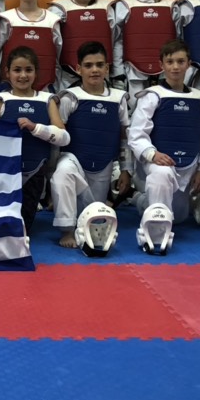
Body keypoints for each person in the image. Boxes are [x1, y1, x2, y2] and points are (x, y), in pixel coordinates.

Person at [128, 39, 200, 233]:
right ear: (161, 65)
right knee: (162, 175)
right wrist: (152, 154)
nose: (175, 67)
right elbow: (136, 133)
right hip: (158, 162)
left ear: (189, 64)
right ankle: (156, 231)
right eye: (170, 62)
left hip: (189, 164)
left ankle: (140, 200)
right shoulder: (152, 96)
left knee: (179, 217)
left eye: (180, 61)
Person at [51, 42, 131, 248]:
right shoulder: (70, 97)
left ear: (107, 68)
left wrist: (126, 169)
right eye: (88, 65)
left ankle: (137, 198)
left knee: (92, 217)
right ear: (79, 69)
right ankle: (66, 230)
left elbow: (124, 137)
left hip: (103, 165)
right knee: (63, 173)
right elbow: (58, 137)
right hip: (74, 160)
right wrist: (50, 169)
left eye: (99, 65)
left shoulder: (119, 99)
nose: (94, 70)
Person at [0, 47, 69, 234]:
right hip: (5, 172)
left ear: (36, 72)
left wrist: (36, 128)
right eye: (17, 70)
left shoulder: (48, 100)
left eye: (28, 70)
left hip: (35, 170)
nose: (23, 75)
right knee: (2, 225)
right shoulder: (0, 100)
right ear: (7, 72)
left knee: (25, 227)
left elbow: (64, 138)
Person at [112, 0, 177, 104]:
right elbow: (117, 42)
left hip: (167, 75)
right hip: (133, 76)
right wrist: (118, 75)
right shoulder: (124, 6)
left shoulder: (173, 7)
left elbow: (180, 42)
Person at [49, 0, 116, 90]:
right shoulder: (58, 9)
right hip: (67, 78)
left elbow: (116, 42)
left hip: (101, 77)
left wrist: (118, 74)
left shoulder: (109, 8)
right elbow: (53, 47)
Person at [0, 0, 61, 93]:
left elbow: (57, 61)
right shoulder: (7, 19)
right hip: (10, 91)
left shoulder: (53, 20)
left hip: (45, 91)